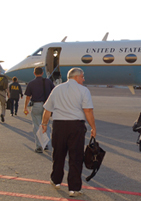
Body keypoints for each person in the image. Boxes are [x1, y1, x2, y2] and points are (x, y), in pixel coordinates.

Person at [41, 67, 96, 197]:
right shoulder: (83, 90)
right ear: (76, 77)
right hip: (75, 126)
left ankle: (56, 180)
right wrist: (93, 127)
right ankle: (74, 188)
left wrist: (44, 124)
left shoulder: (57, 89)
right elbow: (88, 110)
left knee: (58, 154)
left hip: (59, 125)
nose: (83, 79)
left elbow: (47, 109)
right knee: (76, 157)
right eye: (82, 77)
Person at [24, 67, 55, 153]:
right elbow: (54, 92)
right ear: (42, 73)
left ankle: (38, 146)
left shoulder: (31, 83)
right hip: (47, 106)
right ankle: (46, 144)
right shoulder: (48, 81)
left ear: (34, 73)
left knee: (37, 126)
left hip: (36, 105)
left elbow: (27, 97)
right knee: (46, 125)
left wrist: (25, 107)